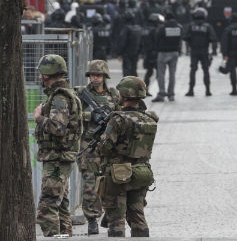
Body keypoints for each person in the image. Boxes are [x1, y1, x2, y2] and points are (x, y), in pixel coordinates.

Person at [96, 76, 159, 237]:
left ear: (124, 95)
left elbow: (104, 148)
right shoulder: (149, 119)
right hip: (142, 173)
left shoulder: (118, 120)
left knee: (116, 219)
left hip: (119, 175)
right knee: (138, 216)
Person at [33, 54, 83, 237]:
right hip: (60, 158)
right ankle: (64, 236)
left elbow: (57, 127)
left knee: (47, 208)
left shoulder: (59, 97)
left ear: (48, 74)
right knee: (61, 206)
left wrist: (39, 118)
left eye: (41, 73)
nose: (40, 77)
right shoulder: (63, 94)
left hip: (57, 158)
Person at [75, 60, 119, 235]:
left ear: (104, 76)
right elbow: (71, 115)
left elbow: (122, 114)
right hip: (89, 146)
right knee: (90, 184)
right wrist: (90, 116)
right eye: (92, 75)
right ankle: (92, 219)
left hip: (109, 145)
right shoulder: (81, 94)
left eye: (98, 75)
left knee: (110, 182)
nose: (95, 78)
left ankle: (110, 214)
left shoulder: (114, 94)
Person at [184, 7, 217, 97]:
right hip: (204, 51)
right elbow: (213, 38)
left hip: (194, 51)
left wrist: (190, 43)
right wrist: (213, 51)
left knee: (193, 70)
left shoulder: (191, 26)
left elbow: (185, 37)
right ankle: (208, 90)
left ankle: (191, 90)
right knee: (206, 70)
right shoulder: (207, 26)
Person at [152, 12, 182, 102]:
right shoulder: (179, 27)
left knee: (161, 74)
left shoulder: (162, 28)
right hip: (174, 52)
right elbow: (180, 39)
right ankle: (171, 94)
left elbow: (157, 39)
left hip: (163, 53)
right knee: (172, 74)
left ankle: (161, 94)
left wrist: (156, 50)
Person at [142, 13, 162, 96]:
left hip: (147, 53)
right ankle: (161, 90)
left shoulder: (144, 30)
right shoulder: (155, 30)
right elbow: (157, 41)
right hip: (154, 53)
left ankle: (145, 90)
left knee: (149, 72)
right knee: (159, 72)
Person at [117, 10, 142, 77]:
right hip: (136, 52)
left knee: (127, 70)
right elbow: (141, 42)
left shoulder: (126, 28)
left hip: (127, 53)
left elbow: (122, 42)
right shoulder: (138, 28)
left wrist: (119, 53)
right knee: (134, 70)